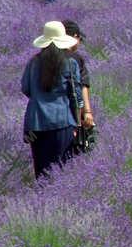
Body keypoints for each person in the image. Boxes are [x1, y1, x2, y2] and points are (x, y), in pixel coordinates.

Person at [22, 21, 83, 180]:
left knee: (42, 172)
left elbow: (26, 89)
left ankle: (42, 201)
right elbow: (76, 96)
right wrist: (78, 122)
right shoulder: (70, 63)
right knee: (62, 170)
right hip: (62, 122)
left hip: (36, 123)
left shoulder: (33, 63)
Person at [63, 20, 96, 154]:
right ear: (75, 37)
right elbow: (81, 88)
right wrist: (86, 113)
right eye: (80, 39)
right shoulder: (75, 59)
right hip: (68, 117)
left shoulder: (37, 60)